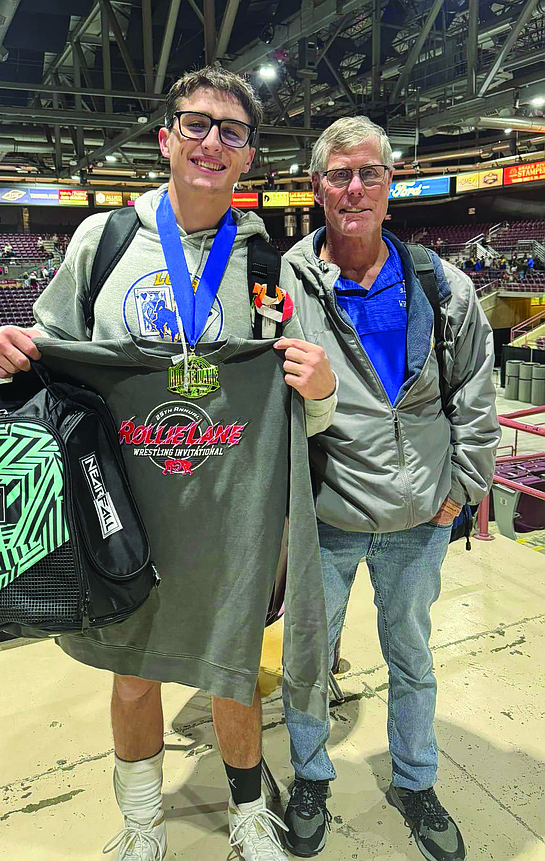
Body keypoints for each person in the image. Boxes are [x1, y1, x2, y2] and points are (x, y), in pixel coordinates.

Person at [0, 65, 337, 861]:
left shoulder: (267, 265)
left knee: (230, 672)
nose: (213, 141)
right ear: (167, 138)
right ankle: (144, 824)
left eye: (232, 131)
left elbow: (304, 402)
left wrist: (323, 389)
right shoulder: (103, 241)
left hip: (227, 511)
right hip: (121, 508)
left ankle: (249, 818)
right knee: (133, 673)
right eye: (197, 123)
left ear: (248, 156)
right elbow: (46, 351)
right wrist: (9, 351)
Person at [282, 116, 500, 861]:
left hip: (419, 515)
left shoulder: (442, 284)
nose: (355, 189)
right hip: (327, 514)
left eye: (369, 173)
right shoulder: (286, 284)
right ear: (316, 188)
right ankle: (310, 775)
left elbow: (475, 389)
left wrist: (463, 488)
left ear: (390, 184)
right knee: (308, 659)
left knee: (412, 657)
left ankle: (416, 780)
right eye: (339, 175)